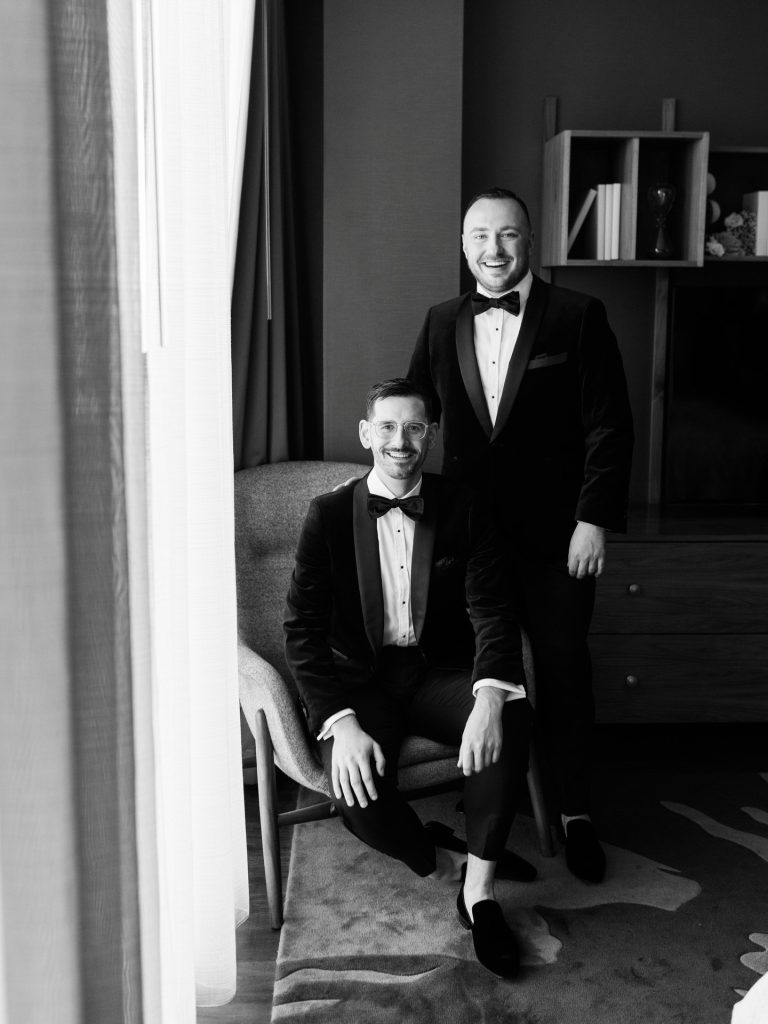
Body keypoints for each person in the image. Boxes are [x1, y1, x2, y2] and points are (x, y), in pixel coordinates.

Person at [407, 188, 634, 884]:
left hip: (557, 539)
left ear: (529, 241)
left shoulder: (578, 315)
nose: (493, 250)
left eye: (507, 235)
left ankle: (574, 814)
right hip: (465, 544)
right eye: (480, 235)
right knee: (476, 675)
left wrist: (592, 519)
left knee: (563, 671)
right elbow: (417, 419)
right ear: (463, 242)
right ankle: (486, 818)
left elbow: (609, 424)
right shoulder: (441, 320)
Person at [284, 378, 535, 979]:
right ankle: (441, 861)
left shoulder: (465, 506)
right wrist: (339, 724)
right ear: (368, 434)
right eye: (389, 427)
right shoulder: (325, 515)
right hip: (362, 684)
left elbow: (492, 611)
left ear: (431, 435)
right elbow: (302, 630)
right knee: (358, 798)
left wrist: (491, 695)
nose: (402, 441)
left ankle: (479, 894)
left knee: (510, 718)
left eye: (415, 427)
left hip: (438, 671)